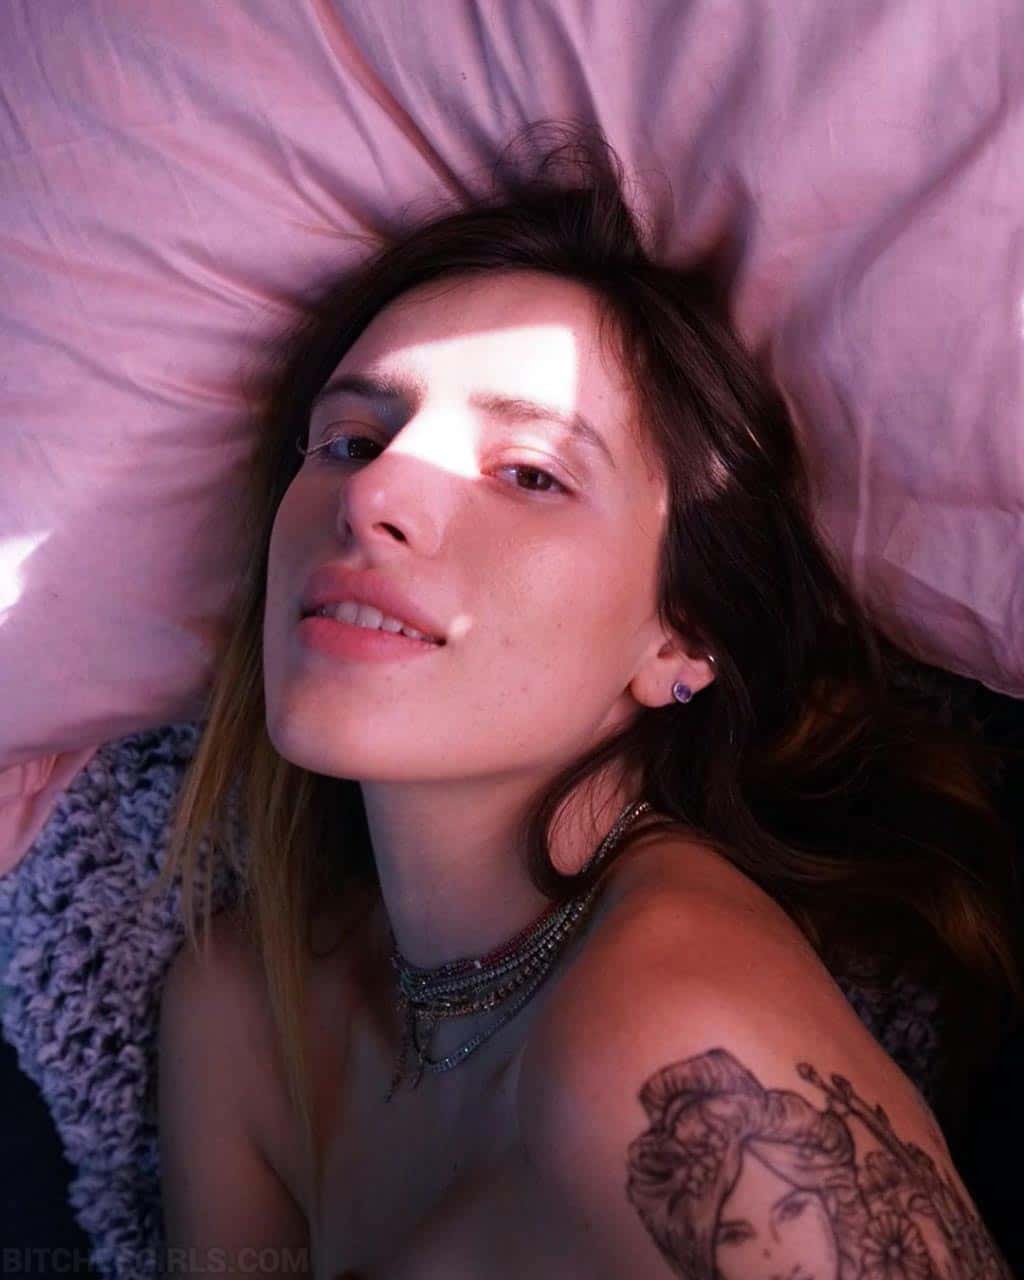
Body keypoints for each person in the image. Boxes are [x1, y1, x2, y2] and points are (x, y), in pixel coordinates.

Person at [152, 121, 1020, 1278]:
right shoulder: (240, 1015)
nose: (373, 496)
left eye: (530, 472)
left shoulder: (670, 1041)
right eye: (351, 439)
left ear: (683, 636)